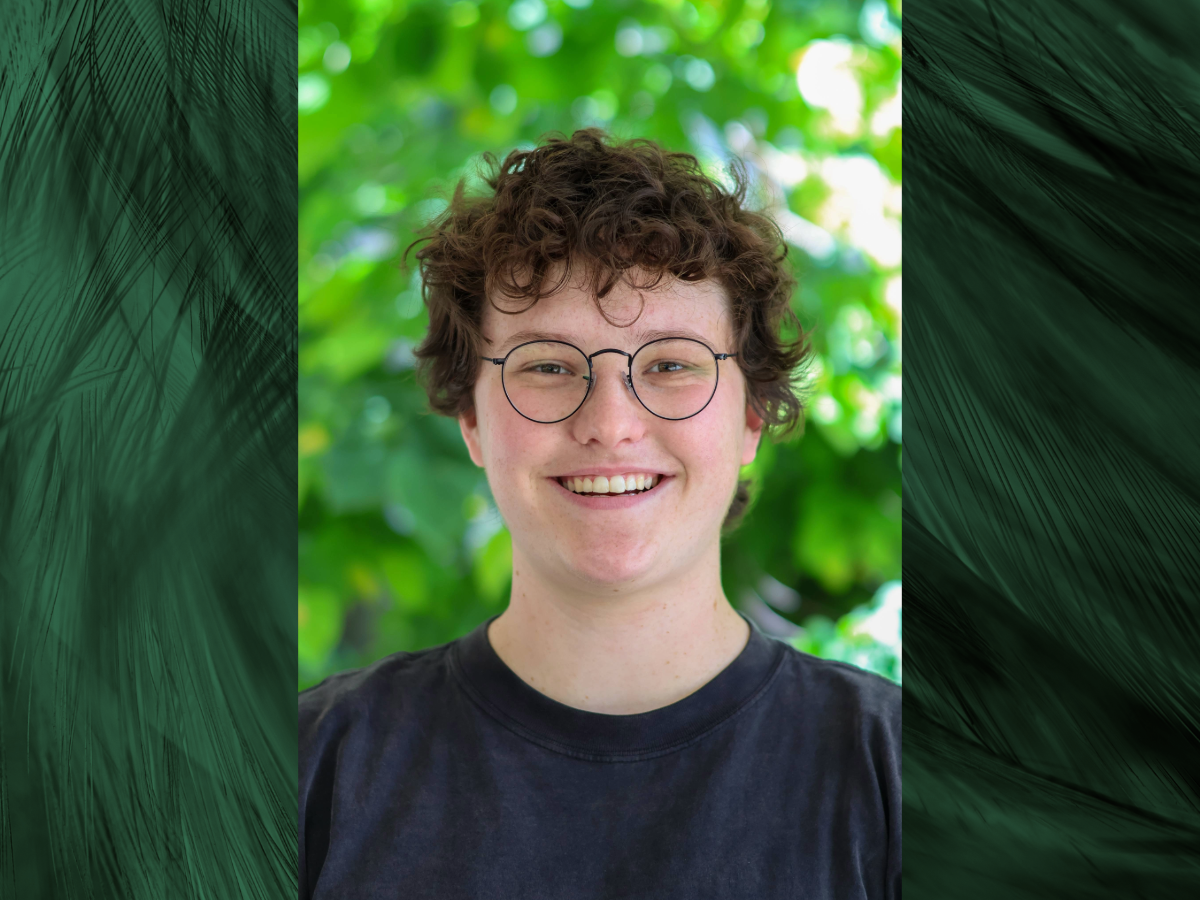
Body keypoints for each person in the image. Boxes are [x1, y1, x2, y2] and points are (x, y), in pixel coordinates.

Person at [298, 128, 900, 899]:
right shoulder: (313, 767)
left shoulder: (897, 774)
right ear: (472, 420)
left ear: (751, 416)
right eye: (548, 365)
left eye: (671, 363)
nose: (610, 425)